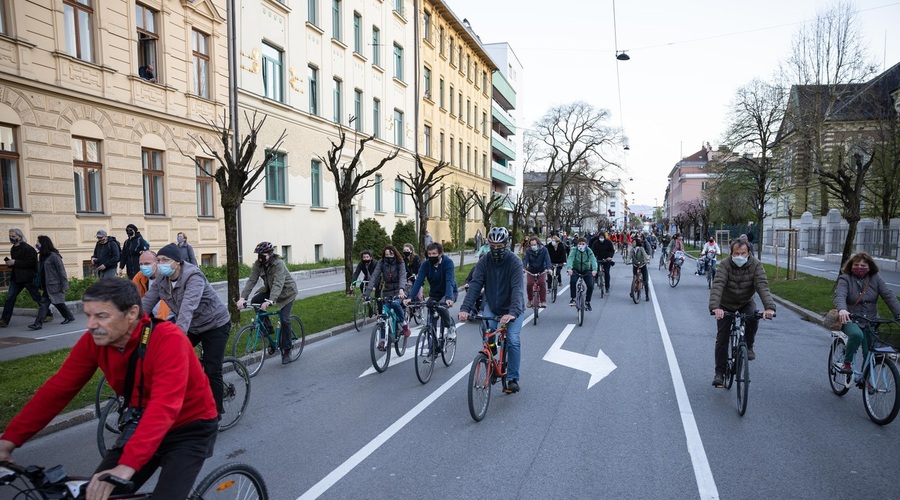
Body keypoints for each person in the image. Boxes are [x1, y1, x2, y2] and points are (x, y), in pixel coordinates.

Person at [0, 278, 218, 499]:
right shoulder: (95, 340)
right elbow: (58, 390)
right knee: (95, 494)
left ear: (132, 313)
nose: (91, 324)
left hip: (189, 428)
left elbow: (164, 406)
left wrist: (127, 465)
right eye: (88, 315)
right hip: (141, 423)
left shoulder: (168, 339)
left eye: (101, 316)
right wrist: (9, 440)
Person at [141, 243, 230, 414]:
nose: (160, 264)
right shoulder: (161, 278)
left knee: (213, 370)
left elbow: (187, 308)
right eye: (158, 260)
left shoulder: (193, 276)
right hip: (194, 326)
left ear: (177, 262)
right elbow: (146, 303)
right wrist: (129, 324)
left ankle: (216, 413)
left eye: (165, 260)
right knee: (168, 358)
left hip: (215, 324)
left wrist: (178, 335)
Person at [458, 227, 524, 393]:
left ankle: (512, 378)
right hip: (493, 307)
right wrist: (465, 308)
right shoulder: (484, 261)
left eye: (499, 245)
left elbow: (517, 289)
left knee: (513, 339)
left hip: (512, 308)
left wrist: (512, 313)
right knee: (487, 330)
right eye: (492, 245)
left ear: (506, 244)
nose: (495, 248)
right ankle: (491, 353)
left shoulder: (514, 262)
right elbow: (475, 285)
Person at [708, 237, 776, 387]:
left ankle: (749, 346)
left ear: (749, 253)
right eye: (736, 253)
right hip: (725, 304)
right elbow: (718, 284)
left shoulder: (756, 265)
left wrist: (769, 308)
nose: (739, 256)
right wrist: (715, 307)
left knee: (753, 317)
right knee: (722, 338)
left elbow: (762, 286)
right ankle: (719, 372)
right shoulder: (725, 264)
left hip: (745, 301)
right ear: (731, 253)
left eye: (743, 253)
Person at [833, 252, 900, 374]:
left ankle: (867, 378)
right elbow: (840, 295)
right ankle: (847, 363)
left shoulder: (876, 279)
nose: (860, 268)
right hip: (850, 318)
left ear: (870, 267)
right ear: (851, 266)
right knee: (857, 335)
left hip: (871, 320)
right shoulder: (845, 278)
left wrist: (898, 313)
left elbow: (888, 296)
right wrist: (842, 309)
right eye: (856, 265)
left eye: (863, 266)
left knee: (870, 351)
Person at [236, 242, 298, 364]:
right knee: (255, 301)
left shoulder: (279, 264)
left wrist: (271, 300)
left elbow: (278, 283)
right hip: (271, 291)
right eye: (258, 255)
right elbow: (251, 281)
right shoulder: (258, 264)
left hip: (287, 293)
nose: (260, 257)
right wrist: (243, 298)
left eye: (262, 255)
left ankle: (286, 350)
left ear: (269, 254)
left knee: (285, 319)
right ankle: (268, 329)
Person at [405, 242, 457, 339]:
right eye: (429, 254)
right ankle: (433, 343)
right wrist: (410, 297)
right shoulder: (425, 265)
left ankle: (450, 327)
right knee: (431, 313)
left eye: (434, 254)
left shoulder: (448, 263)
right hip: (434, 294)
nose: (431, 256)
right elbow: (418, 281)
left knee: (442, 307)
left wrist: (449, 298)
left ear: (440, 254)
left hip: (448, 292)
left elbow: (449, 280)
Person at [364, 245, 408, 349]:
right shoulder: (382, 263)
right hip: (387, 291)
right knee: (383, 316)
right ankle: (383, 340)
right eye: (386, 254)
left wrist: (401, 289)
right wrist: (367, 292)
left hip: (399, 290)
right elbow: (374, 276)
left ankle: (404, 323)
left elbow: (402, 276)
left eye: (391, 254)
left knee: (395, 303)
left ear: (395, 254)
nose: (388, 256)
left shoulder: (400, 262)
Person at [29, 236, 76, 330]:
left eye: (38, 243)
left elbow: (61, 271)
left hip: (54, 285)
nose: (37, 245)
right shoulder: (42, 256)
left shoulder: (54, 256)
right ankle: (69, 316)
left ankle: (38, 324)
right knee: (57, 303)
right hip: (46, 285)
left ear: (44, 244)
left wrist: (64, 285)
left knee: (45, 303)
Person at [1, 229, 43, 328]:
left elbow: (32, 263)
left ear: (19, 237)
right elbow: (16, 263)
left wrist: (15, 262)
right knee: (9, 298)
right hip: (16, 278)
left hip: (28, 278)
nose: (11, 238)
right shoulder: (13, 248)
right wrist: (10, 264)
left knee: (36, 297)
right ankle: (4, 320)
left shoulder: (28, 248)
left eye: (13, 236)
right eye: (10, 236)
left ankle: (48, 314)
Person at [132, 250, 173, 321]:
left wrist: (158, 324)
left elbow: (165, 305)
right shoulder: (140, 277)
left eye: (147, 263)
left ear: (157, 263)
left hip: (171, 317)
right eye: (141, 264)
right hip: (151, 315)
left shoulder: (167, 276)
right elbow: (132, 296)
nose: (143, 267)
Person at [567, 236, 598, 311]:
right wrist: (569, 268)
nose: (581, 245)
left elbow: (593, 259)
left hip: (586, 269)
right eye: (580, 244)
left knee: (590, 285)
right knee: (573, 281)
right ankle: (573, 298)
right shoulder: (574, 250)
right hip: (576, 269)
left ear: (586, 244)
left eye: (583, 244)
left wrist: (594, 269)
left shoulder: (588, 250)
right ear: (577, 244)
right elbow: (570, 258)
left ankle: (587, 301)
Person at [522, 236, 551, 308]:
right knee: (529, 284)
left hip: (541, 270)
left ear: (538, 244)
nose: (533, 246)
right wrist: (523, 268)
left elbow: (547, 260)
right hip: (531, 270)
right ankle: (530, 299)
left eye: (534, 245)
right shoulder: (528, 251)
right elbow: (525, 260)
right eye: (531, 245)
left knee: (542, 283)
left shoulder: (544, 250)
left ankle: (543, 301)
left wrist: (549, 268)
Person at [629, 238, 650, 302]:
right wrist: (627, 261)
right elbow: (629, 256)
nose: (632, 243)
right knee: (634, 278)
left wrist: (647, 259)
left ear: (637, 243)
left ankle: (647, 296)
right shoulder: (632, 250)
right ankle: (633, 290)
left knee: (645, 281)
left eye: (634, 242)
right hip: (635, 265)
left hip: (642, 265)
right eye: (632, 242)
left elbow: (645, 255)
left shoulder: (641, 249)